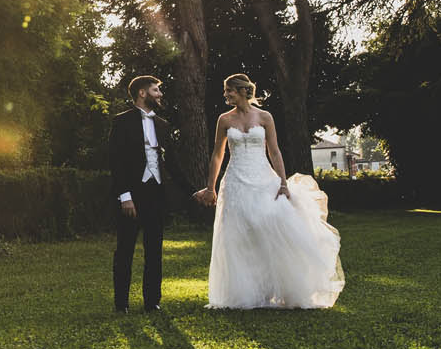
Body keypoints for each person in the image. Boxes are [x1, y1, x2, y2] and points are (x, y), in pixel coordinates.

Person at [203, 73, 344, 309]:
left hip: (263, 178)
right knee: (238, 236)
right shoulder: (224, 120)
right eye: (225, 91)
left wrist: (283, 182)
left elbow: (275, 151)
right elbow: (217, 155)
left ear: (242, 91)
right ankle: (244, 293)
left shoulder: (265, 116)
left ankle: (277, 288)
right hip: (236, 180)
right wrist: (211, 187)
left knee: (269, 229)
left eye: (229, 90)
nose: (226, 94)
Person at [108, 75, 212, 312]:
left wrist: (192, 191)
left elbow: (173, 164)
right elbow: (116, 161)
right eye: (156, 90)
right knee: (125, 249)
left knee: (154, 250)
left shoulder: (163, 125)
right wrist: (125, 196)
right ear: (142, 93)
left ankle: (152, 301)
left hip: (155, 193)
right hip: (131, 195)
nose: (160, 94)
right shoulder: (121, 122)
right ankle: (121, 303)